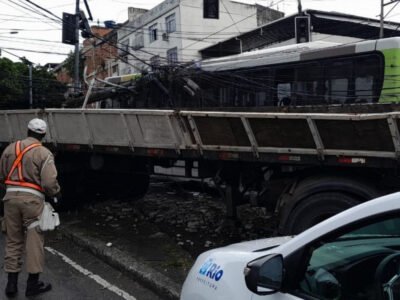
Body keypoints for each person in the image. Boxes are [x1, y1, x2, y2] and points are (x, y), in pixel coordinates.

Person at [0, 118, 61, 297]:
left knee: (13, 240)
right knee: (34, 241)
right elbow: (49, 182)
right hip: (32, 201)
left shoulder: (10, 149)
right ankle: (32, 285)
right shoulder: (43, 153)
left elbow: (2, 175)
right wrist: (56, 193)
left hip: (10, 199)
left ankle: (11, 285)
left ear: (27, 131)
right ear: (43, 134)